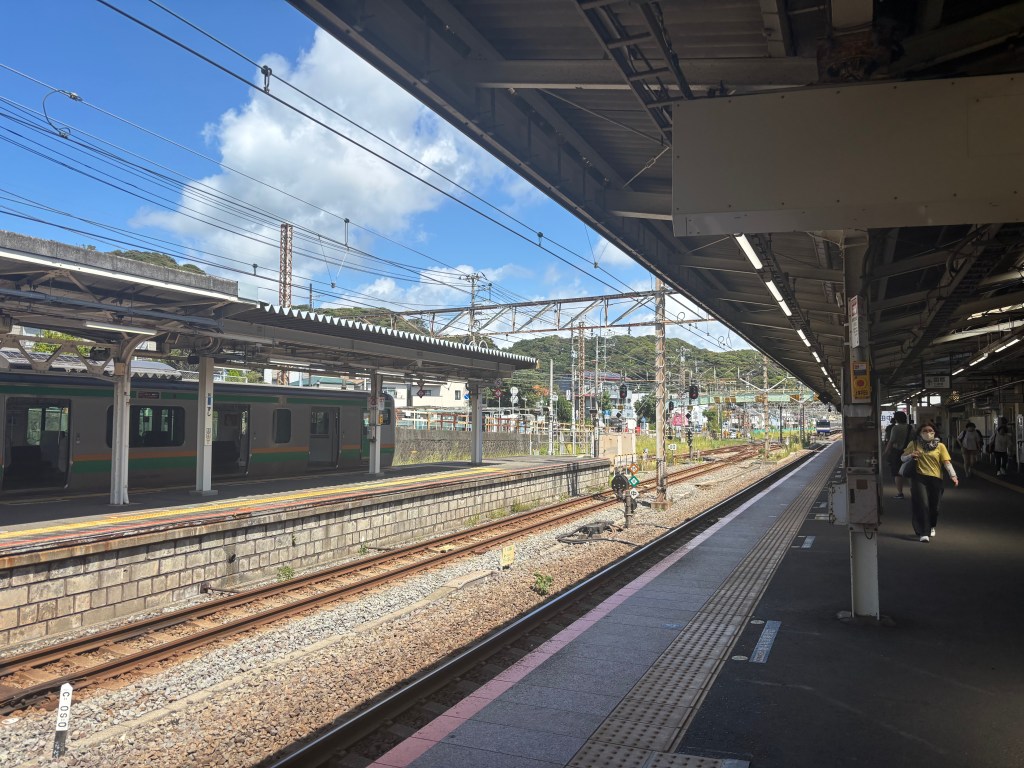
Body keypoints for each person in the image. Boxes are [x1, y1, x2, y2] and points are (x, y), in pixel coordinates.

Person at [901, 423, 958, 543]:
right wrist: (911, 455)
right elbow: (902, 458)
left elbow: (946, 462)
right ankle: (923, 532)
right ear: (920, 433)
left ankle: (931, 525)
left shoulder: (940, 446)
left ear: (935, 432)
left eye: (930, 430)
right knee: (923, 505)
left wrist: (953, 476)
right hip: (919, 478)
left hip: (936, 479)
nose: (928, 433)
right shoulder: (914, 444)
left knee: (935, 507)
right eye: (925, 431)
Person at [884, 412, 912, 499]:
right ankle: (914, 492)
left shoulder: (895, 428)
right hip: (909, 452)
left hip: (897, 453)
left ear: (896, 419)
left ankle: (900, 493)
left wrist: (885, 452)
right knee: (909, 472)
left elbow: (891, 442)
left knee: (897, 473)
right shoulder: (911, 428)